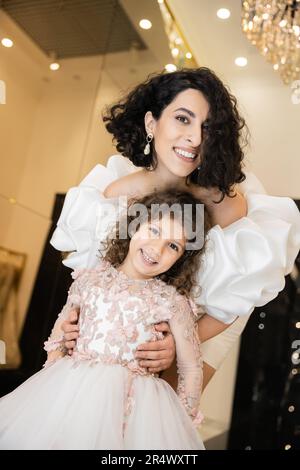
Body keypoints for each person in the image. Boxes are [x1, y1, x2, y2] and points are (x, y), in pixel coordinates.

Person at [51, 67, 300, 388]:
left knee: (158, 416)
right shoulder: (117, 194)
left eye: (207, 127)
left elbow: (235, 296)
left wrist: (179, 342)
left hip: (207, 319)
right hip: (128, 317)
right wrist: (74, 320)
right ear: (151, 122)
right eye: (183, 119)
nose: (195, 138)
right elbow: (94, 277)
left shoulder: (221, 202)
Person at [0, 189, 222, 450]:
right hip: (70, 392)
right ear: (135, 225)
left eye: (173, 246)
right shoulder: (89, 279)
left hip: (135, 408)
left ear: (182, 258)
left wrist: (182, 419)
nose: (157, 249)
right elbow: (59, 334)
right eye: (154, 231)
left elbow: (190, 366)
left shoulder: (173, 302)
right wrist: (55, 373)